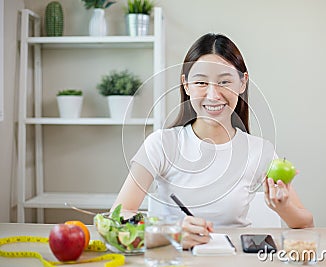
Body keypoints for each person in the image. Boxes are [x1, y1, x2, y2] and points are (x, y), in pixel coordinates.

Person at [112, 33, 314, 249]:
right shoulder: (161, 144)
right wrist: (173, 234)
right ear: (186, 85)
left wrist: (282, 207)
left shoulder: (259, 150)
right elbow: (118, 218)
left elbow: (306, 224)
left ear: (242, 83)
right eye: (201, 82)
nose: (213, 95)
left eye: (224, 82)